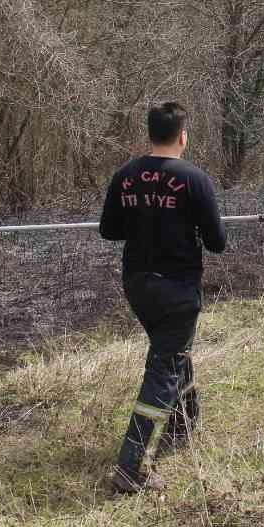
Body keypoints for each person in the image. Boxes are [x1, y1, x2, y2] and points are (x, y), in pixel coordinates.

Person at [98, 101, 227, 493]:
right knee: (164, 368)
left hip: (138, 286)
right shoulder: (194, 179)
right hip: (177, 290)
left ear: (150, 134)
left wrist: (145, 220)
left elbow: (109, 230)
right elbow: (217, 243)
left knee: (172, 352)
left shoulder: (125, 176)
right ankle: (130, 466)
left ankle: (184, 421)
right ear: (183, 136)